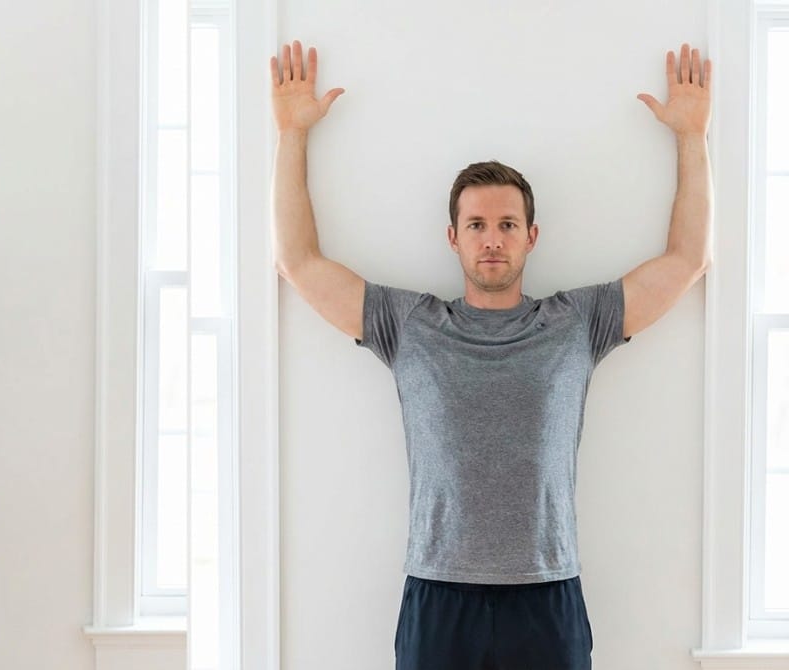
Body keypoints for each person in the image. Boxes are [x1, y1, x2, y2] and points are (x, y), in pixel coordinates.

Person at [270, 40, 712, 670]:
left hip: (547, 592)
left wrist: (692, 136)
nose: (492, 240)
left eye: (507, 224)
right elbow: (298, 261)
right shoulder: (410, 325)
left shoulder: (576, 323)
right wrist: (292, 134)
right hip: (438, 592)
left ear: (531, 236)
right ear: (454, 238)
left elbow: (687, 259)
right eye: (477, 225)